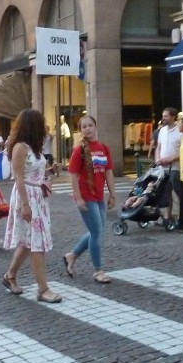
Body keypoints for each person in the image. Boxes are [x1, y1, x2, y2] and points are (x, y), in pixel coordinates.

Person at [1, 109, 60, 303]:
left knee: (28, 242)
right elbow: (18, 177)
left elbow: (35, 173)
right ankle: (43, 290)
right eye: (40, 124)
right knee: (36, 244)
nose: (44, 128)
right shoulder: (20, 147)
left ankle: (10, 275)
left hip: (37, 195)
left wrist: (50, 171)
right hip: (27, 196)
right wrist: (25, 205)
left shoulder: (34, 147)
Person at [63, 115, 115, 284]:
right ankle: (98, 270)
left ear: (95, 126)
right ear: (81, 130)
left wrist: (112, 194)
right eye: (84, 126)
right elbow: (72, 175)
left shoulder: (104, 148)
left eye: (90, 125)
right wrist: (78, 198)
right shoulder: (79, 150)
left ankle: (72, 256)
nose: (87, 129)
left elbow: (108, 172)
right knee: (97, 232)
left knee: (97, 231)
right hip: (86, 196)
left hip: (99, 196)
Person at [154, 107, 182, 220]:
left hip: (176, 167)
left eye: (166, 116)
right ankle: (167, 216)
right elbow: (158, 147)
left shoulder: (180, 131)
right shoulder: (162, 130)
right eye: (163, 116)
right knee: (166, 192)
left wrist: (172, 159)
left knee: (179, 191)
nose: (163, 118)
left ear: (173, 117)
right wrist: (157, 159)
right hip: (163, 167)